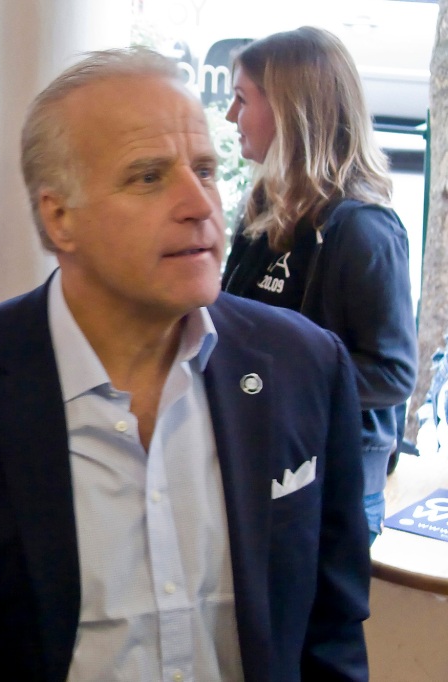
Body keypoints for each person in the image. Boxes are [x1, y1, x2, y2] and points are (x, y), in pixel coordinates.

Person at [0, 47, 370, 681]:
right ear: (59, 216)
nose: (199, 203)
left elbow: (333, 633)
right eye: (149, 176)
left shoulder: (305, 367)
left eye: (207, 169)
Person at [221, 26, 417, 544]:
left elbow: (393, 374)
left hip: (329, 492)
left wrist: (282, 374)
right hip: (257, 473)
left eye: (241, 99)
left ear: (289, 108)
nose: (229, 117)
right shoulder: (259, 217)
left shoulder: (362, 230)